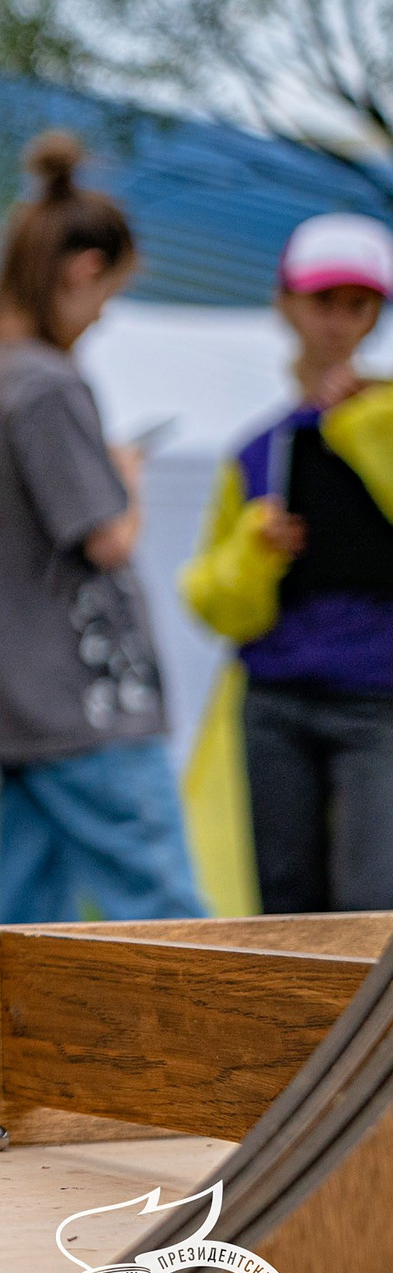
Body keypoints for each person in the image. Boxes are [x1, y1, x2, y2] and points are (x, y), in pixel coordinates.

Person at [0, 132, 204, 929]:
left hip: (18, 704)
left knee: (25, 929)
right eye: (107, 296)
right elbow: (107, 537)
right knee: (172, 916)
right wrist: (125, 475)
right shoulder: (47, 383)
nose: (100, 320)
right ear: (83, 270)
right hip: (83, 705)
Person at [180, 214, 393, 914]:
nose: (336, 322)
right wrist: (254, 549)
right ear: (287, 304)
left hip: (378, 701)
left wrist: (362, 423)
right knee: (286, 903)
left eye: (356, 304)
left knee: (372, 902)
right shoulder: (259, 450)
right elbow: (217, 602)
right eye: (321, 301)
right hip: (276, 700)